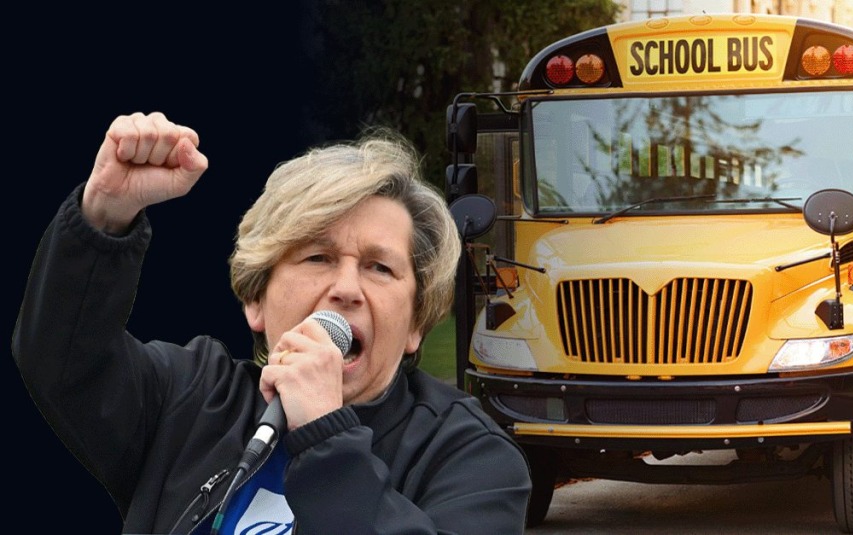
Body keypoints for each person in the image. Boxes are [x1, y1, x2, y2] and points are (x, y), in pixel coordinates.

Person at [12, 112, 531, 534]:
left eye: (379, 267)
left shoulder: (472, 456)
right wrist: (105, 211)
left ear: (416, 323)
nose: (347, 288)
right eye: (317, 259)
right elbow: (64, 357)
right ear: (255, 302)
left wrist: (325, 434)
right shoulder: (189, 396)